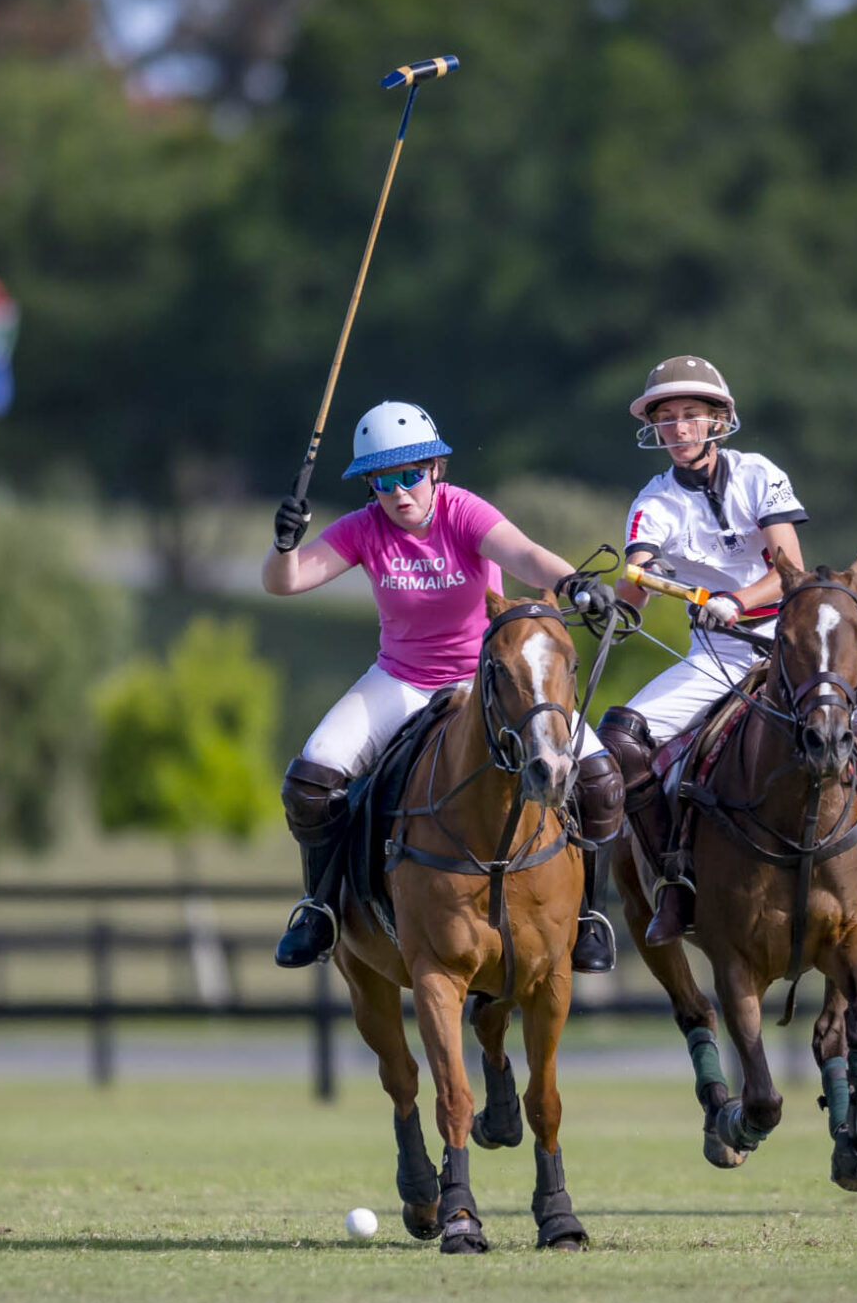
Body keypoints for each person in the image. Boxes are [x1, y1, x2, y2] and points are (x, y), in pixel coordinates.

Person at [265, 400, 623, 972]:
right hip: (400, 680)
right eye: (383, 481)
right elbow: (285, 583)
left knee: (602, 782)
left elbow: (526, 554)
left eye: (410, 474)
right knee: (310, 780)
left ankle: (587, 918)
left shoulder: (463, 512)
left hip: (487, 683)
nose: (399, 493)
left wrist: (574, 583)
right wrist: (284, 545)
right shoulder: (364, 528)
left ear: (435, 468)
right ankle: (320, 910)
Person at [599, 356, 857, 948]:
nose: (678, 428)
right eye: (666, 418)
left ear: (717, 420)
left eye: (690, 414)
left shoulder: (759, 473)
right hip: (718, 655)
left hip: (797, 648)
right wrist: (620, 593)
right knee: (620, 739)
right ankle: (675, 884)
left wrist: (735, 599)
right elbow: (638, 578)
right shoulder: (653, 502)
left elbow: (791, 567)